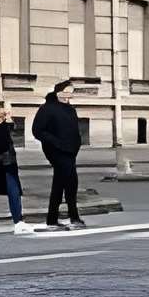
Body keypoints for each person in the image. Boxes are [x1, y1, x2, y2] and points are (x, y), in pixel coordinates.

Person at [32, 81, 86, 229]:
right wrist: (56, 143)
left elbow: (75, 130)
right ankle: (64, 219)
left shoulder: (70, 110)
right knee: (65, 183)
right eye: (66, 91)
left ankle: (62, 218)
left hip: (70, 152)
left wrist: (77, 144)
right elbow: (37, 130)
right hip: (56, 151)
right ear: (58, 92)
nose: (69, 94)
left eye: (71, 91)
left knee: (68, 183)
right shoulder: (47, 108)